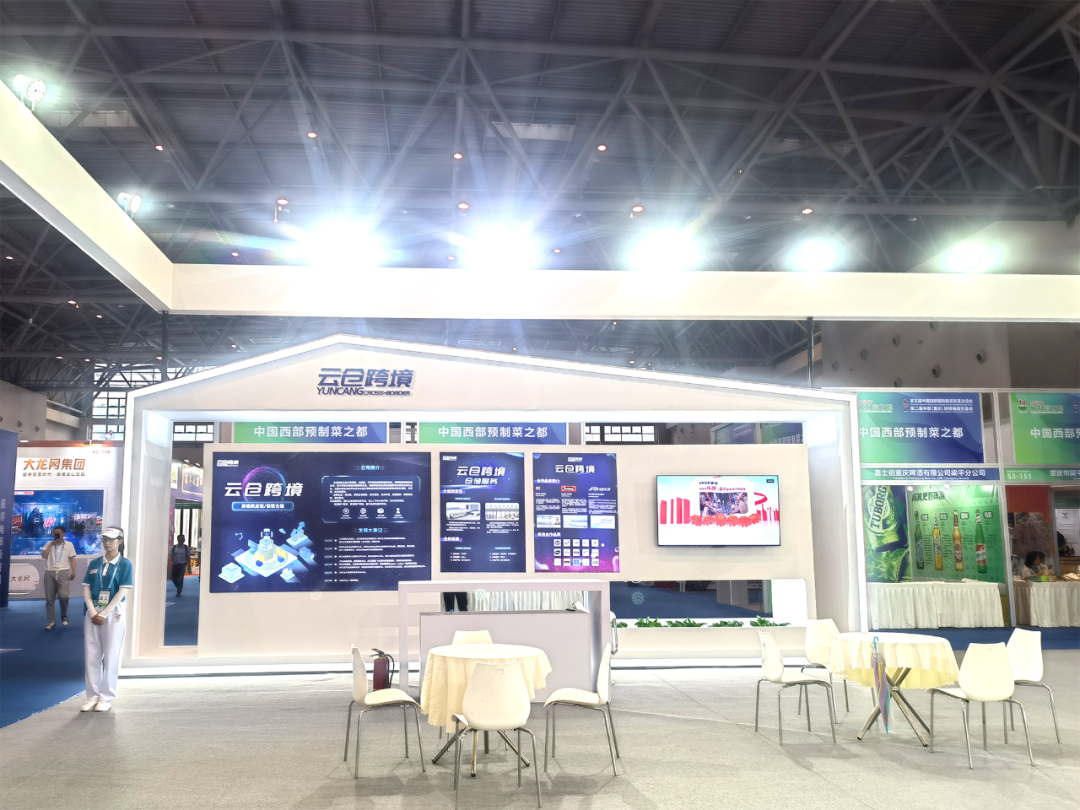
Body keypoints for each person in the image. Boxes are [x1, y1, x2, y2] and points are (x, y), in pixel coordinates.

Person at [81, 527, 133, 712]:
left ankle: (106, 697)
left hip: (114, 610)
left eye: (111, 539)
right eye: (105, 539)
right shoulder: (95, 563)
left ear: (120, 541)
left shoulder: (125, 564)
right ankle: (92, 696)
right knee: (91, 654)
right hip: (93, 610)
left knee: (111, 654)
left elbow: (123, 591)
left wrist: (104, 613)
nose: (107, 543)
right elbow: (86, 588)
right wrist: (92, 611)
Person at [40, 526, 77, 629]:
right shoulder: (49, 544)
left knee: (63, 596)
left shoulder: (69, 545)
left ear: (63, 534)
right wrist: (52, 544)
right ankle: (51, 621)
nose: (55, 535)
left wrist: (74, 571)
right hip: (50, 572)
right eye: (54, 533)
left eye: (58, 533)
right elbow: (44, 555)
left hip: (63, 572)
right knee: (49, 599)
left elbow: (72, 559)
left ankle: (64, 615)